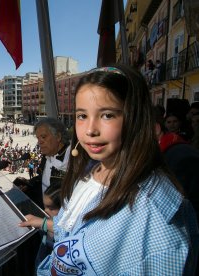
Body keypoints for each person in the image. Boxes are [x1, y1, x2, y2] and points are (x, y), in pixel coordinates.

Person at [20, 65, 198, 275]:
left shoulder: (156, 217)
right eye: (82, 116)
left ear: (135, 118)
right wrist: (42, 224)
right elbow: (71, 230)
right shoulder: (89, 172)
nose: (90, 130)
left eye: (107, 115)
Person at [14, 117, 70, 209]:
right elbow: (42, 179)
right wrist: (28, 184)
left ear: (58, 137)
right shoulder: (47, 155)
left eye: (43, 137)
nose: (39, 142)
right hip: (44, 208)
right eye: (38, 138)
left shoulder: (71, 158)